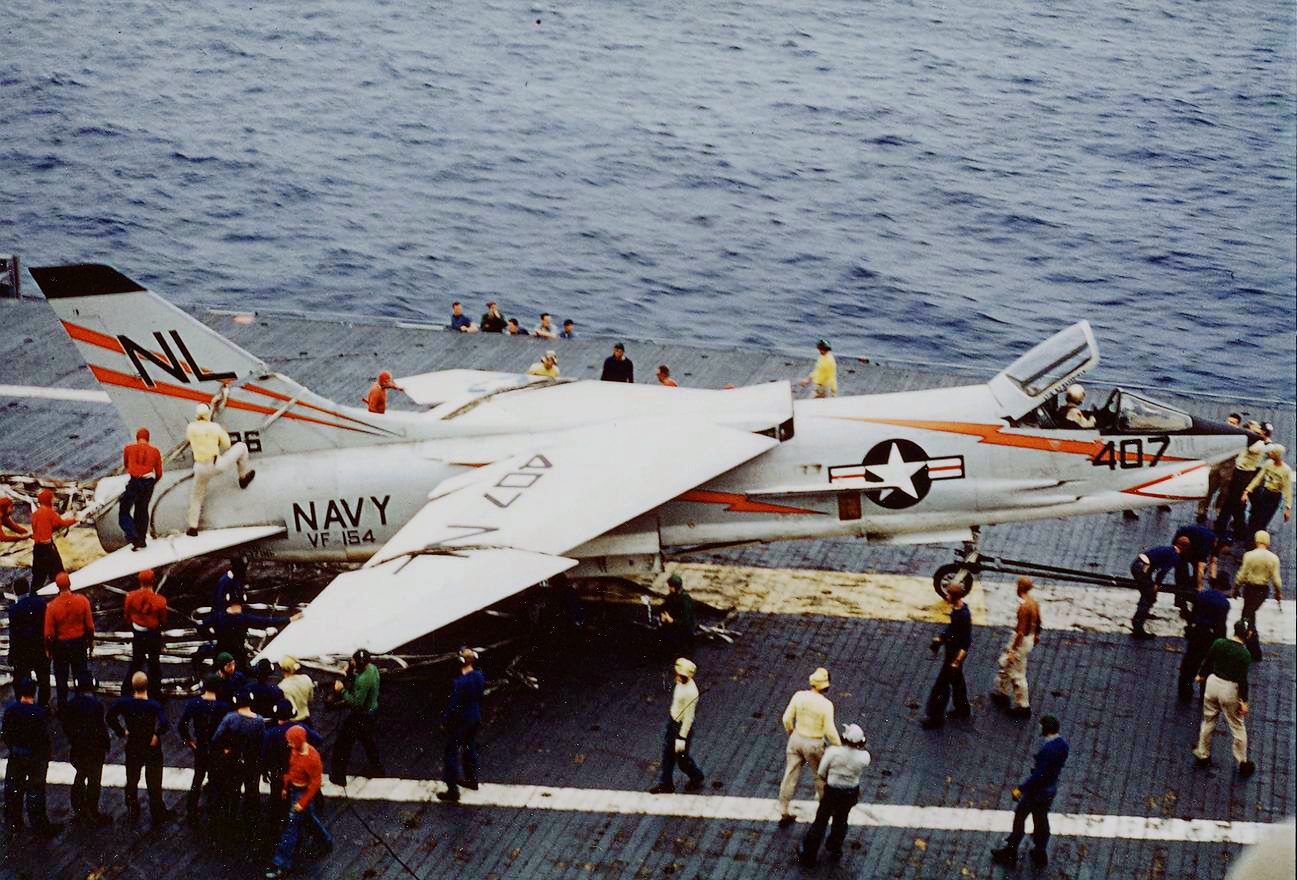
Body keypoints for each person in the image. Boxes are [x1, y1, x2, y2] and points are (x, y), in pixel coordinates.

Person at [991, 714, 1069, 868]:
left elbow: (1039, 775)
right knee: (1041, 819)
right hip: (1050, 789)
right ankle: (1040, 851)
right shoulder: (1063, 744)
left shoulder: (1047, 749)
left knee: (1020, 816)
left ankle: (1011, 851)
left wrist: (1021, 789)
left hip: (1037, 791)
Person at [265, 725, 332, 879]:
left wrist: (302, 802)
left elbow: (315, 783)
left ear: (298, 741)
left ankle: (281, 864)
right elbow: (292, 770)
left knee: (291, 828)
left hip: (302, 794)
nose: (288, 744)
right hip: (294, 789)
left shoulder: (312, 758)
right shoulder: (295, 751)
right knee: (309, 818)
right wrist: (285, 787)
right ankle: (325, 840)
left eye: (290, 741)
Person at [798, 724, 870, 865]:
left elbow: (821, 772)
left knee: (821, 820)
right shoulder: (864, 757)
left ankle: (809, 854)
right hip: (850, 792)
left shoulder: (833, 752)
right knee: (841, 819)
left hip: (832, 790)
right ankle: (835, 847)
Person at [107, 671, 172, 827]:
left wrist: (121, 731)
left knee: (132, 778)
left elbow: (110, 716)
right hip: (151, 745)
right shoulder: (154, 705)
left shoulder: (125, 703)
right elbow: (164, 723)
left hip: (133, 743)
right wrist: (156, 734)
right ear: (147, 685)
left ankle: (132, 809)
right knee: (154, 780)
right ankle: (157, 811)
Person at [778, 667, 841, 825]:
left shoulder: (799, 696)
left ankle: (784, 810)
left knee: (790, 775)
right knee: (820, 777)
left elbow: (786, 719)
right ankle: (824, 809)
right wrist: (839, 746)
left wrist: (791, 733)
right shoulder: (826, 705)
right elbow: (829, 730)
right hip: (814, 742)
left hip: (797, 738)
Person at [1193, 620, 1255, 778]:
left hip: (1212, 684)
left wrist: (1201, 675)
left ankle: (1203, 754)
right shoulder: (1245, 654)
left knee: (1208, 721)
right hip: (1230, 690)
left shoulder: (1219, 643)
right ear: (1247, 634)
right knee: (1237, 726)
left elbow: (1208, 661)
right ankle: (1242, 762)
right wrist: (1244, 701)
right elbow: (1242, 680)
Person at [2, 677, 60, 836]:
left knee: (14, 790)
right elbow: (43, 737)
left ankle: (14, 823)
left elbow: (5, 733)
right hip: (35, 757)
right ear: (33, 693)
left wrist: (13, 748)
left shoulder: (11, 710)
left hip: (16, 755)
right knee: (36, 792)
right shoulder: (39, 712)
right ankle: (39, 825)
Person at [185, 403, 255, 536]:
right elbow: (227, 444)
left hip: (199, 467)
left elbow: (188, 438)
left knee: (196, 497)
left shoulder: (191, 428)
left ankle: (193, 527)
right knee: (242, 447)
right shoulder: (215, 427)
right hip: (216, 464)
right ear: (208, 414)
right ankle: (242, 477)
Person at [260, 701, 325, 842]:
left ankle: (274, 836)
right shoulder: (300, 728)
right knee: (300, 807)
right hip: (299, 775)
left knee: (276, 805)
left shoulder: (270, 734)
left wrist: (265, 772)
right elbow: (319, 740)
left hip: (278, 775)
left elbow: (263, 756)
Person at [178, 674, 231, 824]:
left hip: (200, 747)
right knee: (215, 780)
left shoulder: (194, 703)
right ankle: (213, 813)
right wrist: (227, 747)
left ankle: (191, 811)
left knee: (198, 778)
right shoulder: (223, 707)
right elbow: (228, 730)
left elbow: (182, 725)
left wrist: (189, 741)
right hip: (216, 748)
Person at [648, 657, 705, 794]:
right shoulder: (681, 683)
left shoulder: (690, 692)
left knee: (682, 759)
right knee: (668, 754)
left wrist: (681, 737)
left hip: (680, 727)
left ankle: (696, 776)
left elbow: (689, 717)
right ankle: (666, 784)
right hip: (673, 722)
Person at [212, 689, 267, 827]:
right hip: (252, 761)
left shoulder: (230, 718)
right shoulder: (259, 721)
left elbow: (217, 737)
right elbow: (262, 743)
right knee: (252, 790)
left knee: (233, 789)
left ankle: (230, 818)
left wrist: (226, 748)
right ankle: (251, 820)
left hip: (234, 759)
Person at [920, 582, 972, 728]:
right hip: (951, 651)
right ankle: (962, 708)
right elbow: (953, 629)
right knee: (957, 681)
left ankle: (935, 718)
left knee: (941, 687)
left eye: (948, 594)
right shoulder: (958, 610)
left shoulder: (962, 614)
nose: (946, 596)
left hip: (953, 656)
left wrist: (957, 661)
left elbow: (966, 640)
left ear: (954, 596)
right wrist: (942, 638)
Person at [438, 647, 486, 803]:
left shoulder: (460, 683)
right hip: (475, 716)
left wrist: (445, 721)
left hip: (461, 721)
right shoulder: (479, 676)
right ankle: (472, 779)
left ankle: (452, 790)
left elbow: (454, 705)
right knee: (470, 747)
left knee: (451, 753)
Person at [329, 649, 383, 786]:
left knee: (343, 744)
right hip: (371, 711)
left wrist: (341, 690)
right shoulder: (372, 668)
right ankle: (377, 769)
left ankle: (338, 777)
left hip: (361, 715)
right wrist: (350, 671)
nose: (351, 662)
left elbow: (356, 702)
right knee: (367, 741)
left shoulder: (363, 680)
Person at [62, 677, 111, 826]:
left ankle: (79, 809)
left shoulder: (71, 704)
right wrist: (106, 744)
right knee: (94, 781)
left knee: (80, 776)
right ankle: (92, 811)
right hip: (94, 748)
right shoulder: (96, 705)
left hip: (78, 747)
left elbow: (66, 726)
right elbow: (100, 727)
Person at [992, 576, 1042, 719]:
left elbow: (1020, 632)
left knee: (1016, 673)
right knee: (1007, 666)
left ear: (1019, 587)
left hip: (1020, 642)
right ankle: (1001, 691)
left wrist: (1013, 650)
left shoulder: (1023, 607)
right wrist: (1036, 635)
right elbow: (1038, 621)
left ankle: (1023, 705)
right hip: (1030, 638)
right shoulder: (1034, 603)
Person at [44, 571, 94, 708]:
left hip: (60, 646)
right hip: (79, 643)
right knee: (81, 676)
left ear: (57, 586)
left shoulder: (52, 606)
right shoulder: (82, 600)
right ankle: (82, 706)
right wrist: (90, 642)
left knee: (61, 679)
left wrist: (48, 648)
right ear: (70, 583)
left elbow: (48, 633)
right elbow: (90, 626)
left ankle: (63, 708)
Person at [1178, 574, 1231, 702]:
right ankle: (1205, 694)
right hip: (1211, 636)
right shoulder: (1224, 603)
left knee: (1190, 663)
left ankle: (1185, 691)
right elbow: (1221, 625)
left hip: (1197, 632)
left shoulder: (1201, 595)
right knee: (1209, 665)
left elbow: (1193, 615)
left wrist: (1189, 627)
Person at [1233, 530, 1282, 662]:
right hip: (1262, 590)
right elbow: (1276, 580)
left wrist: (1235, 588)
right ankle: (1253, 650)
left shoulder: (1249, 555)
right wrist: (1278, 593)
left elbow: (1241, 575)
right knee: (1249, 615)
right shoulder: (1273, 559)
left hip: (1249, 588)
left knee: (1247, 616)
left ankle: (1253, 649)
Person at [1215, 424, 1268, 541]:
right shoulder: (1254, 441)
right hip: (1239, 472)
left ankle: (1237, 530)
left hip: (1244, 474)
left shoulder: (1258, 444)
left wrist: (1249, 433)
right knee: (1231, 502)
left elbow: (1251, 448)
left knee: (1234, 502)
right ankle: (1225, 526)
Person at [203, 600, 289, 671]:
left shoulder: (217, 616)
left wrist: (210, 637)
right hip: (237, 655)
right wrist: (287, 619)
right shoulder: (242, 618)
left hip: (221, 652)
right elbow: (264, 621)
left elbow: (202, 627)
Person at [123, 568, 168, 700]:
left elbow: (127, 615)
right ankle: (155, 694)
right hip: (152, 634)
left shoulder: (130, 596)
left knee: (136, 662)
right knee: (154, 664)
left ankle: (127, 691)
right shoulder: (160, 601)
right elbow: (163, 621)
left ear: (140, 581)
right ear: (153, 581)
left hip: (137, 633)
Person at [6, 578, 50, 707]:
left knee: (21, 679)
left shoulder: (14, 609)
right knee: (43, 679)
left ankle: (23, 705)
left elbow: (13, 634)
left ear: (15, 591)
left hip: (22, 651)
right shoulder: (41, 604)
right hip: (39, 647)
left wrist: (11, 654)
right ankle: (43, 705)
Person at [1128, 541, 1186, 639]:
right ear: (1185, 548)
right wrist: (1157, 584)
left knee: (1148, 595)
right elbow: (1163, 571)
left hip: (1137, 565)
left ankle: (1142, 615)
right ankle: (1138, 627)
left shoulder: (1168, 549)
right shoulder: (1174, 555)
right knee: (1148, 595)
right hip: (1142, 568)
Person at [120, 427, 162, 550]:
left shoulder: (128, 448)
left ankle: (133, 535)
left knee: (124, 510)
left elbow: (126, 465)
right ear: (148, 439)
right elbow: (159, 473)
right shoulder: (155, 451)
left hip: (135, 481)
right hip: (148, 482)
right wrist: (152, 483)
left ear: (137, 437)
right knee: (142, 510)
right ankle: (142, 540)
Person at [29, 487, 77, 591]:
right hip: (47, 547)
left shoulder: (35, 513)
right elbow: (62, 523)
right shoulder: (49, 512)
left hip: (37, 548)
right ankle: (62, 591)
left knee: (38, 575)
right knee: (58, 571)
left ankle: (33, 594)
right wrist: (75, 519)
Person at [1198, 413, 1243, 522]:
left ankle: (1218, 511)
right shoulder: (1219, 433)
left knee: (1224, 493)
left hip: (1228, 470)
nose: (1229, 424)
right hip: (1215, 467)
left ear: (1238, 425)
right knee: (1208, 490)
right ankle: (1202, 511)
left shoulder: (1240, 438)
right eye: (1229, 421)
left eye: (1233, 423)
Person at [1243, 444, 1292, 538]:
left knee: (1263, 520)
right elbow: (1258, 478)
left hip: (1274, 496)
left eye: (1272, 452)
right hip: (1264, 492)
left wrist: (1288, 508)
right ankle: (1250, 537)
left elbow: (1287, 490)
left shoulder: (1285, 470)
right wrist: (1247, 490)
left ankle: (1257, 538)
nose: (1269, 453)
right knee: (1255, 516)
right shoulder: (1268, 463)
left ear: (1277, 454)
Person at [1173, 523, 1227, 596]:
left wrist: (1213, 584)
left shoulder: (1217, 545)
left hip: (1195, 545)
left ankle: (1191, 585)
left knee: (1200, 571)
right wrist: (1200, 588)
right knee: (1182, 566)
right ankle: (1181, 592)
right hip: (1183, 538)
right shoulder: (1206, 545)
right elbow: (1200, 569)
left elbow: (1213, 563)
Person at [659, 573, 696, 658]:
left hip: (683, 628)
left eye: (670, 587)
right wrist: (662, 615)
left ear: (675, 587)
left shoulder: (685, 599)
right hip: (673, 623)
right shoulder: (672, 595)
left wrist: (672, 621)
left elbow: (686, 621)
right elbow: (664, 606)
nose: (669, 588)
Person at [278, 656, 315, 722]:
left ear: (282, 669)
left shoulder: (282, 686)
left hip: (292, 722)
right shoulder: (306, 678)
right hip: (307, 719)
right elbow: (310, 698)